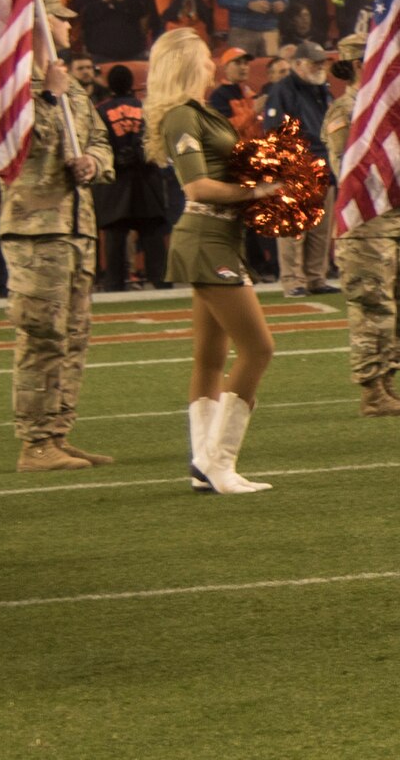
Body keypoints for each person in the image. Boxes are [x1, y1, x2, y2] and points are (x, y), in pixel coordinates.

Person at [144, 27, 283, 494]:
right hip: (206, 236)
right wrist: (258, 190)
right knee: (259, 348)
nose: (211, 64)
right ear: (187, 63)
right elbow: (197, 187)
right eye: (205, 57)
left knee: (209, 357)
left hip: (220, 235)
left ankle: (203, 462)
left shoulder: (202, 111)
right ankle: (219, 463)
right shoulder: (182, 115)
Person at [2, 0, 114, 471]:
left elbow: (102, 142)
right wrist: (47, 95)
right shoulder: (15, 88)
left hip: (75, 229)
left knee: (73, 337)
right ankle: (34, 442)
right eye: (59, 19)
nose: (68, 26)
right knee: (41, 337)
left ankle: (58, 433)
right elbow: (19, 148)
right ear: (38, 25)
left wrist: (93, 162)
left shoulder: (74, 90)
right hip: (37, 229)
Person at [324, 31, 400, 417]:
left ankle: (388, 382)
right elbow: (349, 169)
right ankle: (372, 391)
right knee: (372, 307)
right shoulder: (344, 111)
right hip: (367, 225)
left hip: (399, 222)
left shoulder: (388, 108)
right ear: (354, 65)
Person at [263, 40, 337, 296]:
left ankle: (316, 277)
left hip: (323, 164)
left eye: (321, 62)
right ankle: (293, 280)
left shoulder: (322, 88)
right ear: (297, 64)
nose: (319, 67)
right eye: (314, 62)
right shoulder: (282, 90)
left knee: (320, 229)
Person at [94, 62, 170, 289]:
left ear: (109, 85)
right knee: (152, 236)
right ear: (131, 84)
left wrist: (116, 159)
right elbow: (157, 144)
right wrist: (139, 154)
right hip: (146, 181)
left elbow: (96, 144)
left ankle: (114, 284)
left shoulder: (100, 111)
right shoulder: (146, 109)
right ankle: (161, 282)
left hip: (114, 183)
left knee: (115, 238)